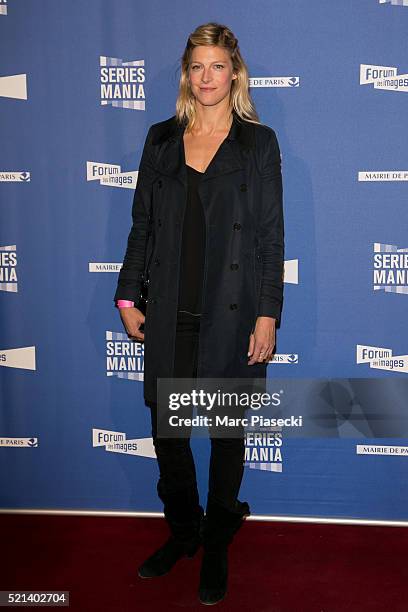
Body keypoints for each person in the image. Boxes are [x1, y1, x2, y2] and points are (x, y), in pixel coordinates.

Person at [113, 22, 284, 606]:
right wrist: (126, 294)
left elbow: (268, 238)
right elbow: (142, 224)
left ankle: (216, 540)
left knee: (227, 433)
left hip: (232, 313)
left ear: (234, 72)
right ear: (186, 75)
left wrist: (268, 315)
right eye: (196, 67)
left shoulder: (258, 144)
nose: (206, 77)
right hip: (169, 312)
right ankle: (183, 531)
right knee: (170, 432)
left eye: (216, 66)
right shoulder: (161, 140)